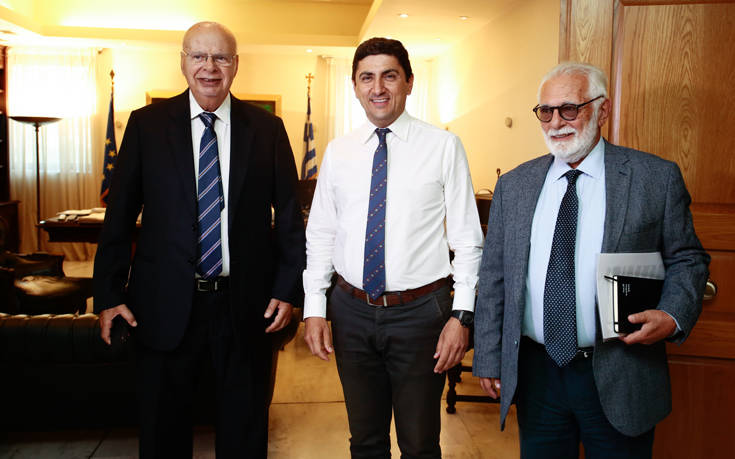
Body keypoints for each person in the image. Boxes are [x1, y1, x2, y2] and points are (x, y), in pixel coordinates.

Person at [473, 61, 710, 458]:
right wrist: (488, 355)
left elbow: (688, 258)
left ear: (602, 110)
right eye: (546, 111)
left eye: (569, 109)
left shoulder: (654, 178)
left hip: (622, 370)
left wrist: (672, 315)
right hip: (537, 373)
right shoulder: (514, 185)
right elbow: (495, 274)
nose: (556, 122)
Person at [93, 21, 305, 458]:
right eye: (199, 56)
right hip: (162, 306)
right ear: (183, 62)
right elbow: (119, 216)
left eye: (221, 57)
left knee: (244, 435)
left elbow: (289, 219)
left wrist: (288, 290)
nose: (210, 67)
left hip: (245, 308)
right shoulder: (147, 125)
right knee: (163, 436)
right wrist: (109, 294)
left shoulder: (268, 130)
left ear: (236, 64)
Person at [302, 37, 484, 458]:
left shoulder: (443, 147)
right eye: (367, 77)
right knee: (364, 441)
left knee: (419, 444)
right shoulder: (338, 152)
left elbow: (467, 240)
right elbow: (322, 233)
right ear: (355, 86)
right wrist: (314, 308)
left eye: (389, 75)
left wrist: (461, 316)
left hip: (420, 315)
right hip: (350, 311)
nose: (378, 87)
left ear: (409, 82)